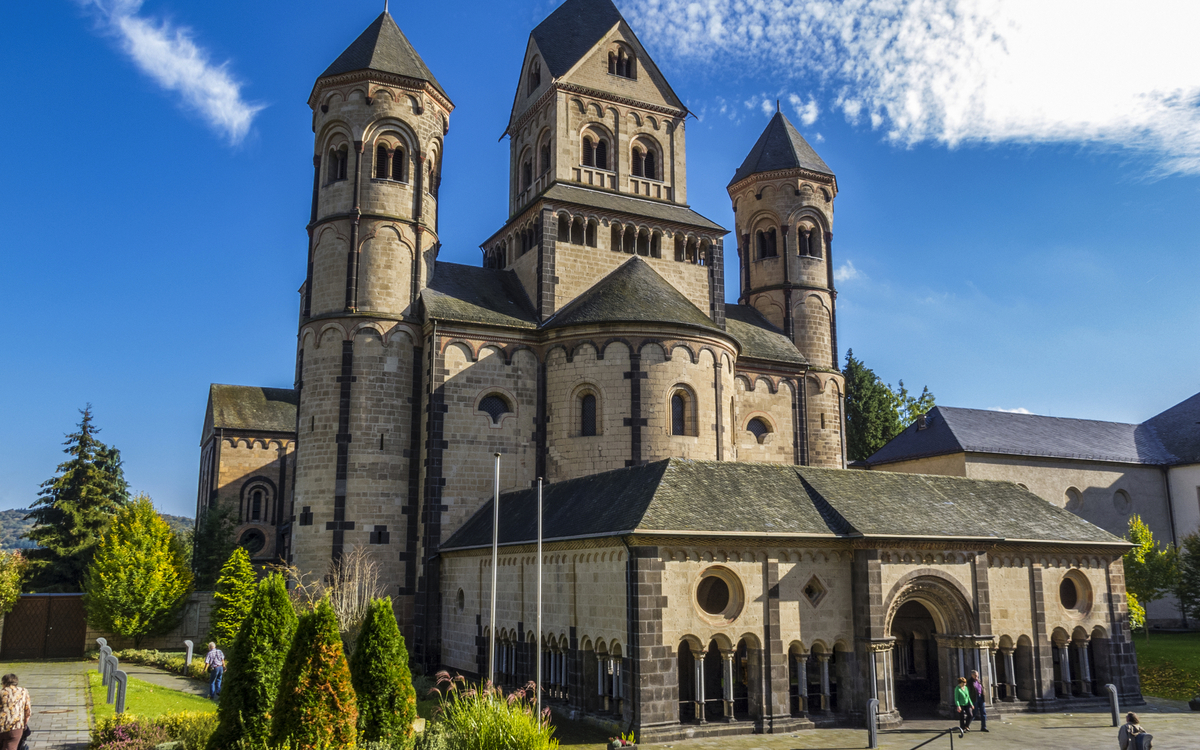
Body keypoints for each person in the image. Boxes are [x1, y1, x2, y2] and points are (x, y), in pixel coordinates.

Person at [0, 674, 31, 750]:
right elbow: (28, 712)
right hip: (15, 727)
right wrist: (24, 724)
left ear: (4, 683)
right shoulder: (23, 691)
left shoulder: (1, 692)